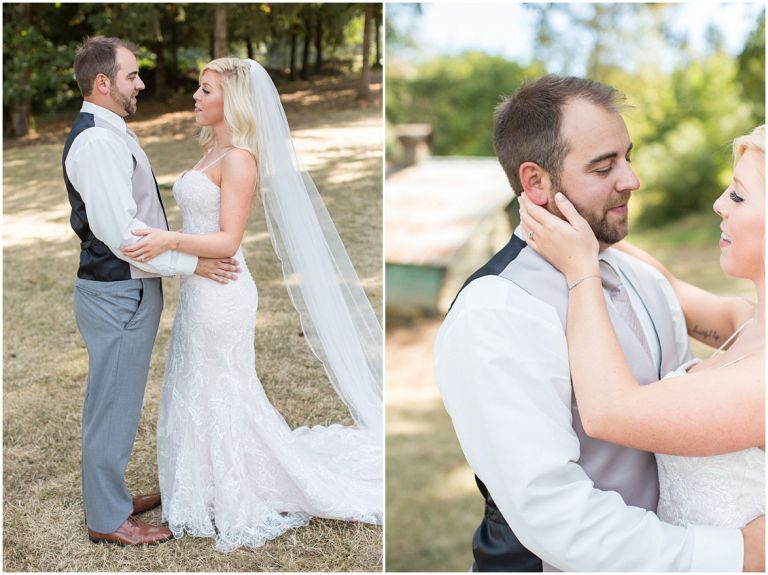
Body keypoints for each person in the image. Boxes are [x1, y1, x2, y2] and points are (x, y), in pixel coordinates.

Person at [433, 75, 764, 571]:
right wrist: (738, 553)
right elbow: (555, 513)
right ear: (536, 182)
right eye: (605, 166)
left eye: (628, 156)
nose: (631, 179)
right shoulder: (496, 312)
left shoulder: (643, 283)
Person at [120, 57, 383, 552]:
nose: (195, 98)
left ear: (231, 102)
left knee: (222, 385)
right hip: (200, 287)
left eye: (205, 91)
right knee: (194, 380)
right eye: (198, 89)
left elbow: (227, 240)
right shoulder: (210, 153)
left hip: (223, 289)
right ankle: (203, 481)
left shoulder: (239, 158)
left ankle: (236, 485)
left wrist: (164, 241)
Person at [519, 125, 764, 531]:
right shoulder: (747, 323)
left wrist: (582, 272)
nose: (720, 204)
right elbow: (668, 286)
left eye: (738, 195)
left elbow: (608, 412)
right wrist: (583, 216)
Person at [63, 36, 240, 545]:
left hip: (128, 291)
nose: (141, 83)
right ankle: (107, 518)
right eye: (132, 75)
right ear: (103, 83)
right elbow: (122, 238)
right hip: (118, 291)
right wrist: (193, 264)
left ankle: (110, 495)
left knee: (118, 401)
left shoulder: (112, 132)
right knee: (111, 405)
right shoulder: (97, 141)